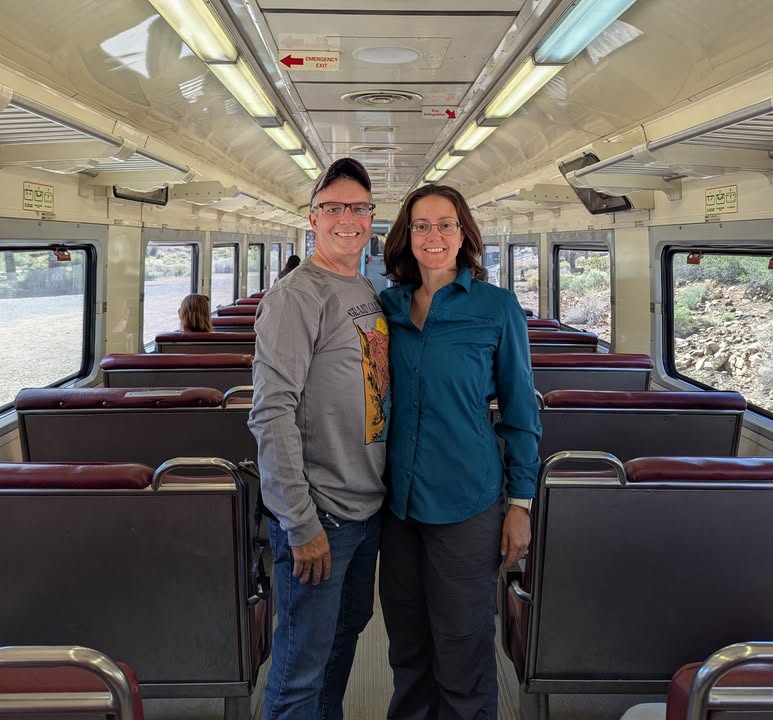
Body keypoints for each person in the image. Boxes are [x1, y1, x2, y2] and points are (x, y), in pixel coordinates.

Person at [379, 184, 542, 718]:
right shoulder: (386, 308)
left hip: (468, 502)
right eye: (422, 225)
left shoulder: (497, 309)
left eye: (445, 224)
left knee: (463, 645)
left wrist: (520, 505)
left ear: (464, 233)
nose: (434, 236)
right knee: (407, 645)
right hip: (396, 505)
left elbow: (521, 413)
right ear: (406, 236)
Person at [248, 158, 390, 720]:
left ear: (371, 219)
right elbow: (272, 412)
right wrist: (300, 522)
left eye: (358, 208)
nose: (347, 218)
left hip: (366, 508)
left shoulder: (363, 287)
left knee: (340, 644)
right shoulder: (295, 296)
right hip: (321, 515)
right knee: (299, 671)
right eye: (334, 208)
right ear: (314, 219)